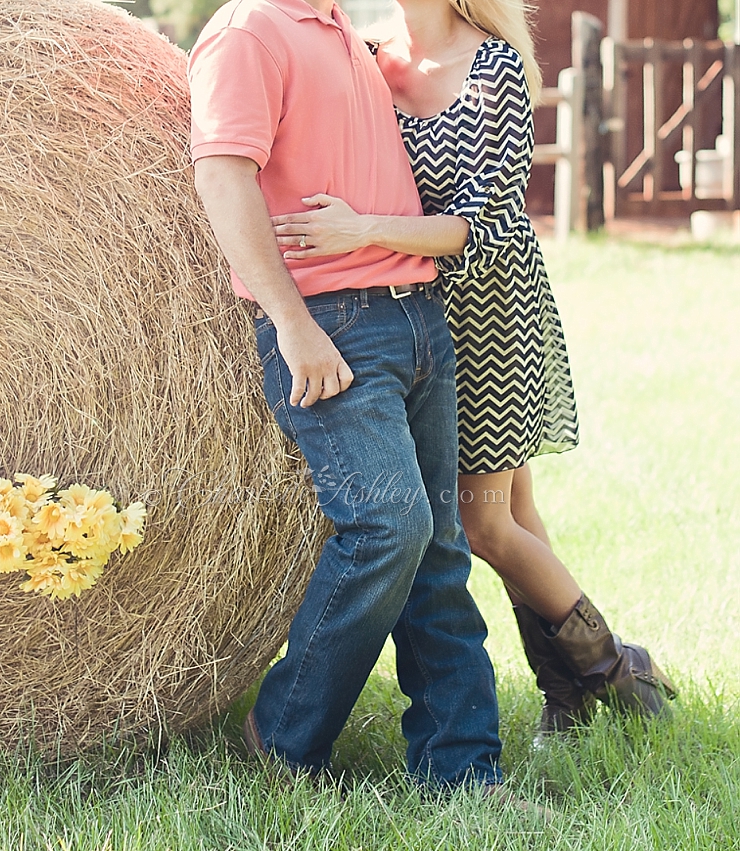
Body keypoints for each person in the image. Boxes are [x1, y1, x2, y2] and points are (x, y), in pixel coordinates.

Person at [269, 0, 676, 738]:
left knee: (483, 525)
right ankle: (571, 688)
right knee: (517, 516)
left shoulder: (494, 68)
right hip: (402, 313)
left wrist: (358, 229)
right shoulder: (364, 55)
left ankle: (617, 670)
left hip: (487, 318)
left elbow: (487, 224)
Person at [189, 0, 504, 788]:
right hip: (332, 324)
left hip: (418, 319)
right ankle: (285, 735)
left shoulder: (345, 32)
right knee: (388, 526)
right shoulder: (248, 30)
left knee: (438, 551)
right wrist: (291, 324)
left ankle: (463, 771)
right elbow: (223, 175)